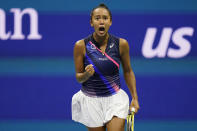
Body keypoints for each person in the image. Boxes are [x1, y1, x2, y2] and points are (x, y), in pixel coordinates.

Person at [72, 3, 140, 131]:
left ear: (110, 22)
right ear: (91, 22)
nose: (101, 21)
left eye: (105, 18)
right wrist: (86, 75)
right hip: (91, 101)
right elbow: (78, 77)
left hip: (115, 99)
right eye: (97, 18)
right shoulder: (81, 46)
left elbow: (128, 71)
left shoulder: (121, 44)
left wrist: (135, 98)